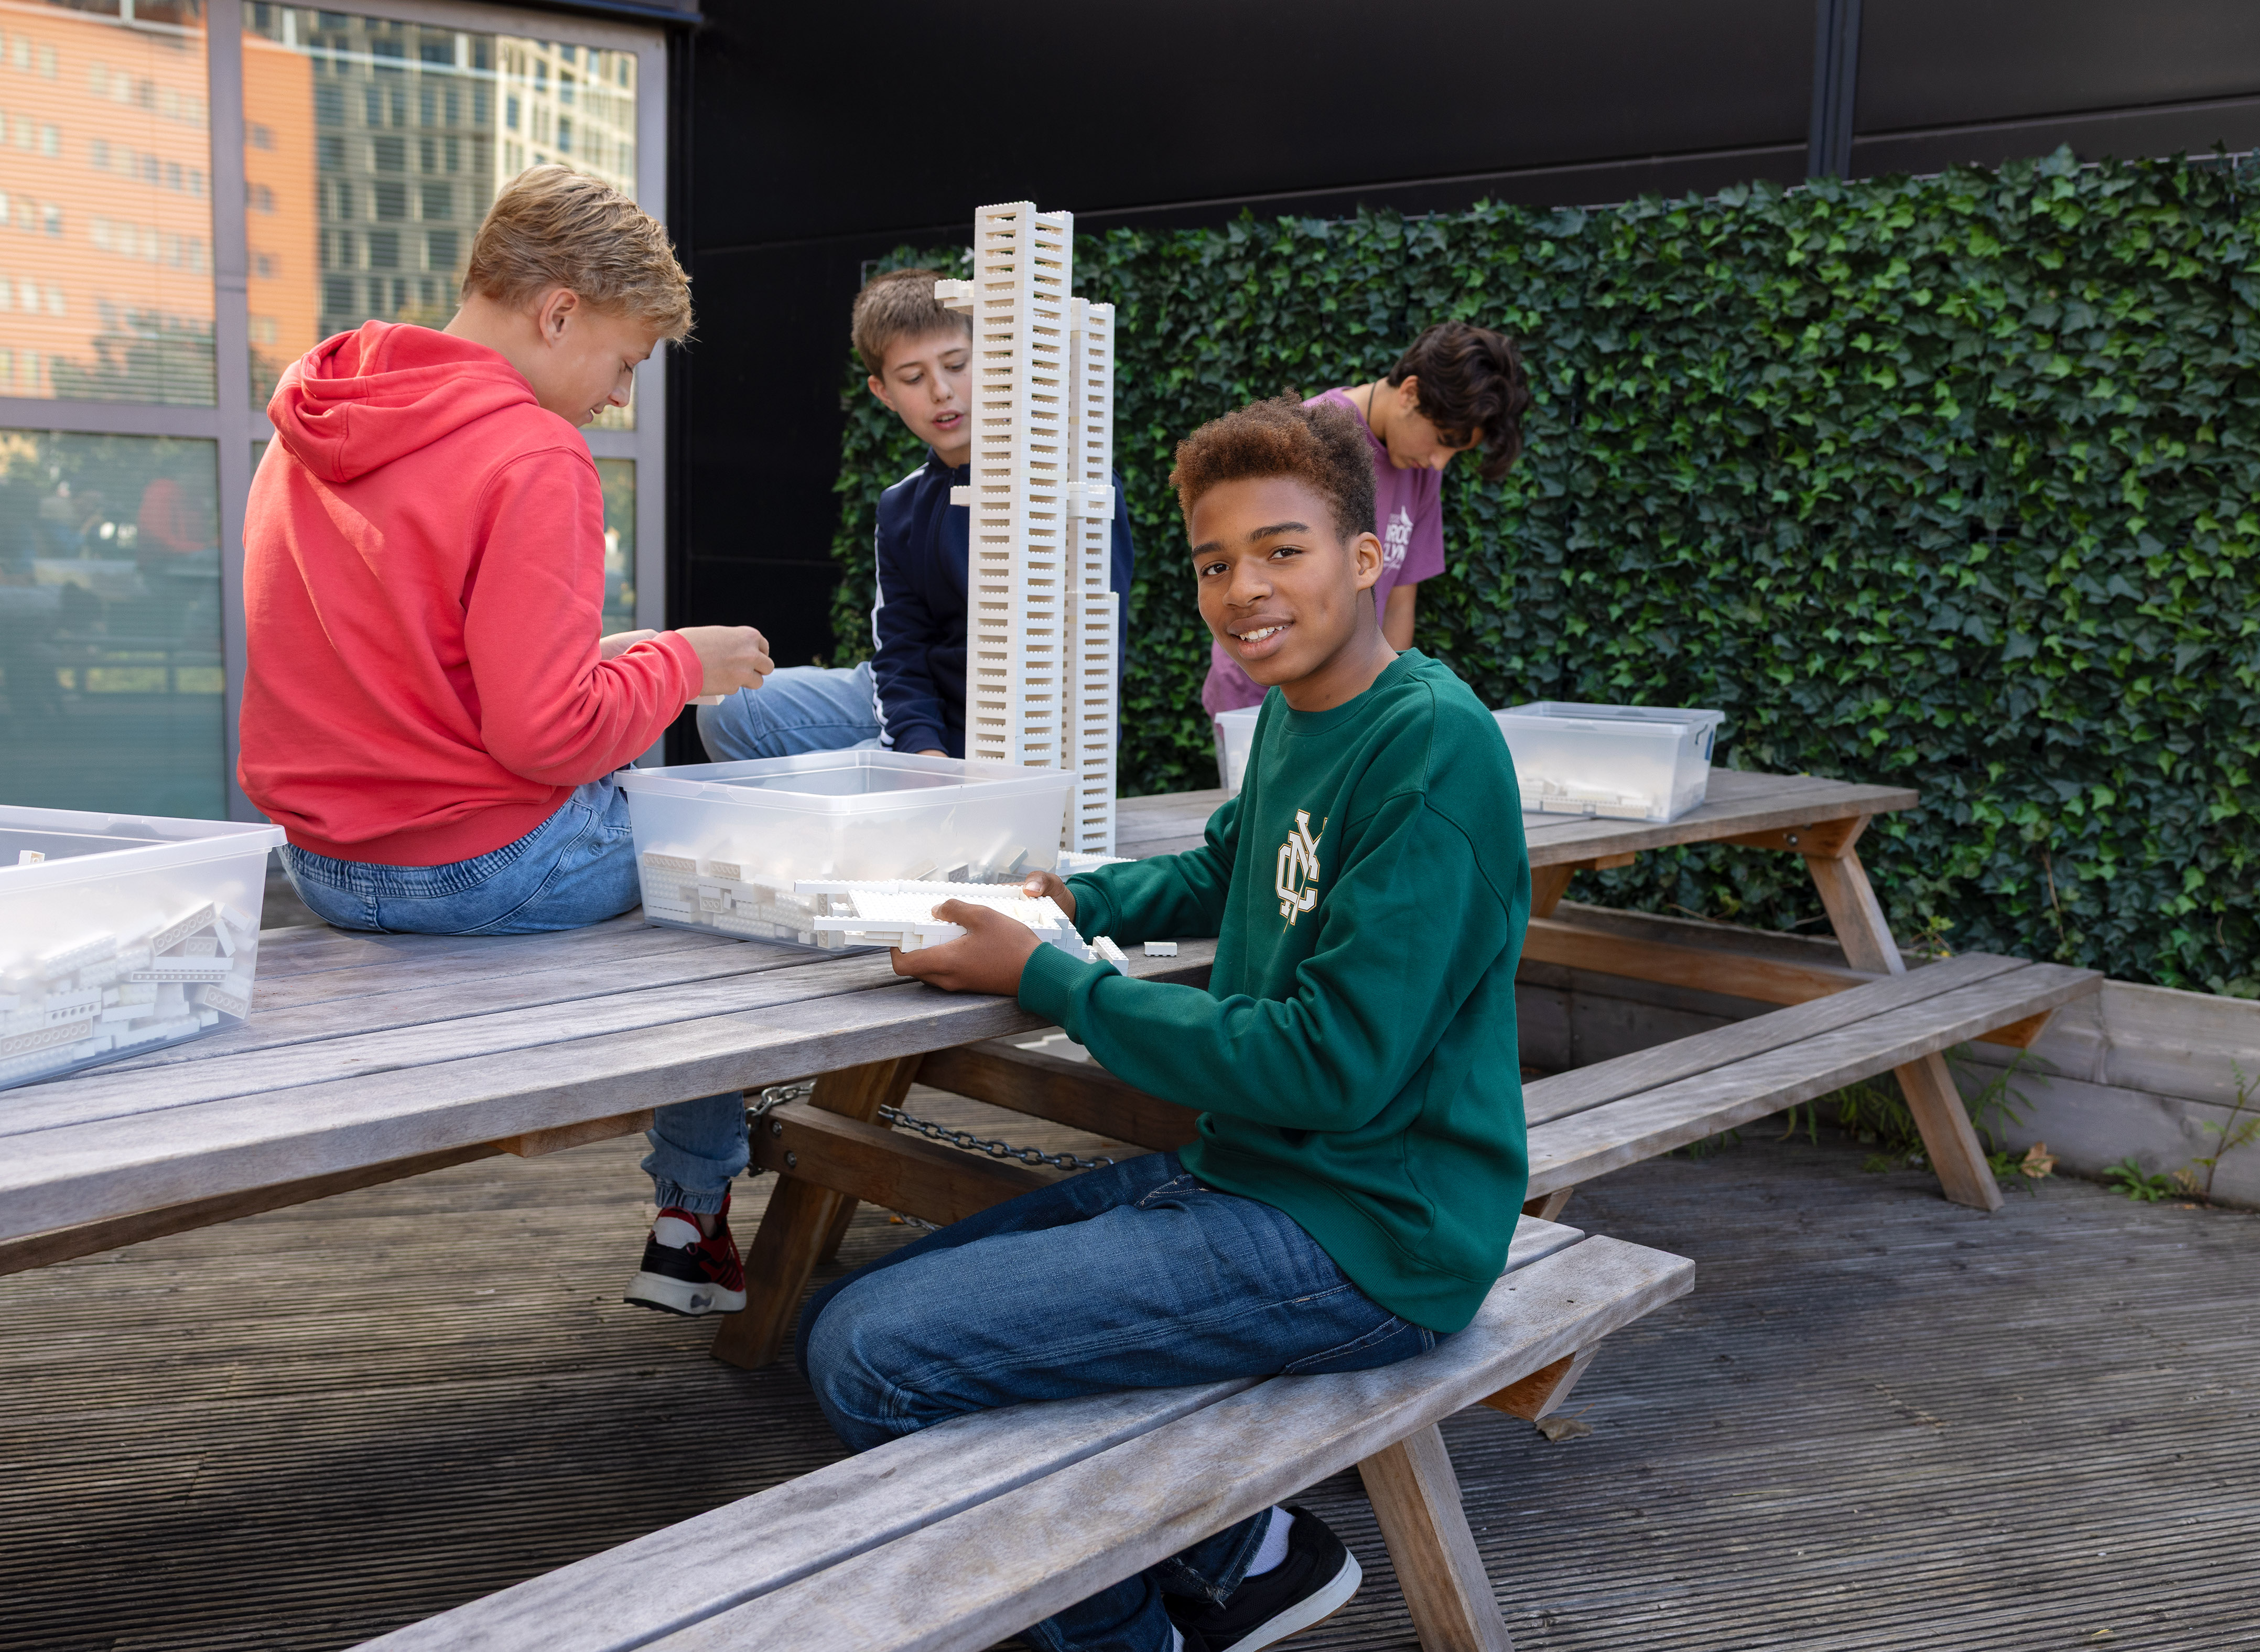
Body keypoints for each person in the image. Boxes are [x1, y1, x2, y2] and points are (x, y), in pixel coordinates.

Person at [799, 394, 1531, 1652]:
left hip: (1368, 1237)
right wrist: (1067, 898)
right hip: (1251, 1173)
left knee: (875, 1355)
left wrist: (1052, 978)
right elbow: (1223, 868)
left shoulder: (1428, 752)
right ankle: (1241, 1544)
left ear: (1367, 560)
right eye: (1211, 561)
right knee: (873, 1300)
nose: (1242, 587)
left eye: (1280, 550)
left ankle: (1132, 1627)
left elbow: (1331, 1067)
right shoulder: (1308, 718)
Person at [236, 166, 774, 1320]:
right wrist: (682, 662)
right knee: (728, 862)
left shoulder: (310, 425)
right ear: (560, 309)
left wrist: (619, 656)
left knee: (659, 819)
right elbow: (547, 735)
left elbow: (393, 661)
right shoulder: (533, 454)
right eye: (625, 362)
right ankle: (691, 1223)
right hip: (481, 869)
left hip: (325, 866)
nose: (621, 398)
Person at [698, 267, 1136, 761]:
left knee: (845, 790)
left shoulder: (1071, 489)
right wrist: (921, 749)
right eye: (913, 377)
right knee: (732, 710)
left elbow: (1091, 661)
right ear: (883, 392)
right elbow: (901, 648)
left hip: (1015, 730)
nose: (941, 391)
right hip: (923, 705)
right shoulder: (901, 505)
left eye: (956, 365)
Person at [1198, 320, 1530, 719]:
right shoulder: (1306, 438)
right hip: (1259, 699)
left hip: (1351, 704)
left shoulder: (1423, 472)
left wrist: (1386, 703)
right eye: (1442, 439)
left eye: (1456, 452)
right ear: (1410, 393)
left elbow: (1399, 603)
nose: (1440, 461)